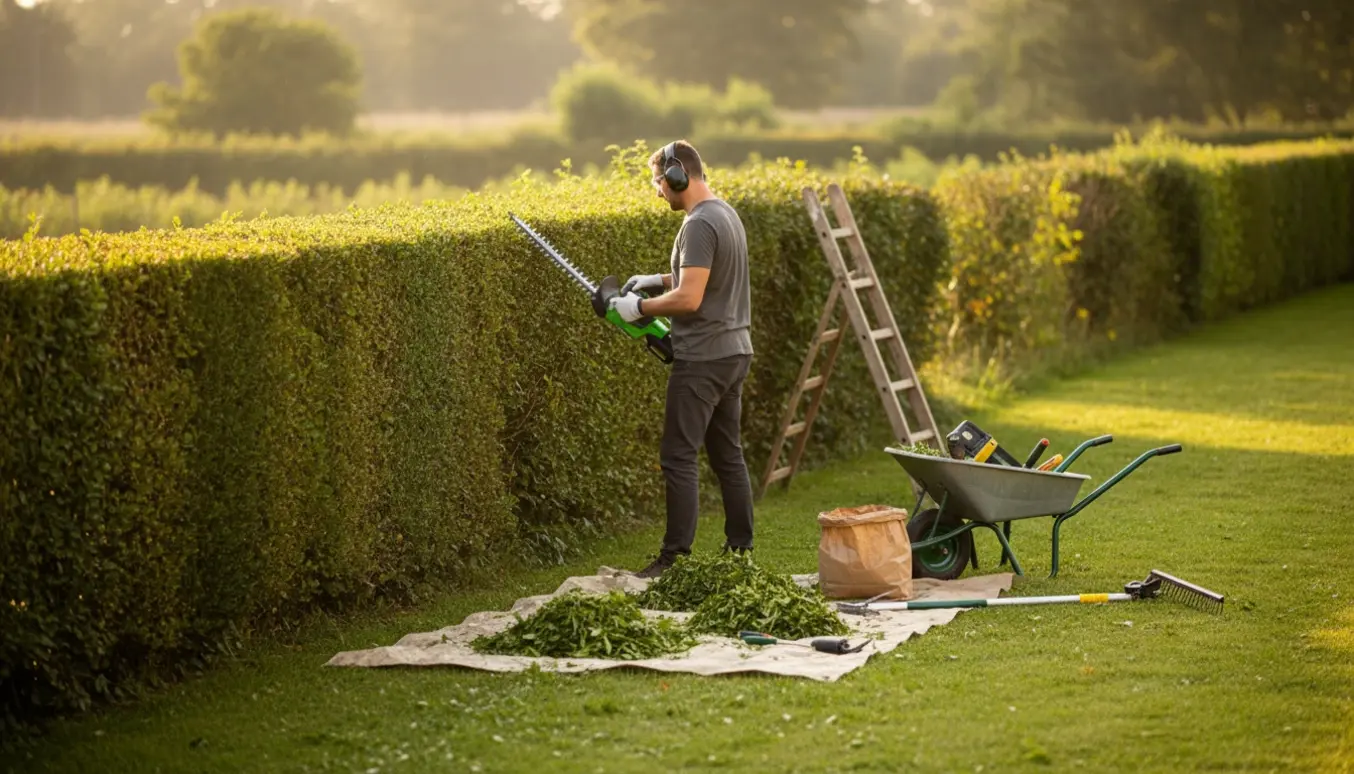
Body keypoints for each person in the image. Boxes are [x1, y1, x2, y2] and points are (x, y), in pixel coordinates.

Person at [609, 140, 755, 579]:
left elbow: (690, 298)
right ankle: (740, 551)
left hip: (704, 358)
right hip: (734, 351)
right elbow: (700, 276)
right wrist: (655, 280)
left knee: (677, 456)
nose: (657, 192)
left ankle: (674, 560)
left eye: (658, 182)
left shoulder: (697, 224)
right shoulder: (724, 213)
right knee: (728, 455)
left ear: (677, 176)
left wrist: (639, 308)